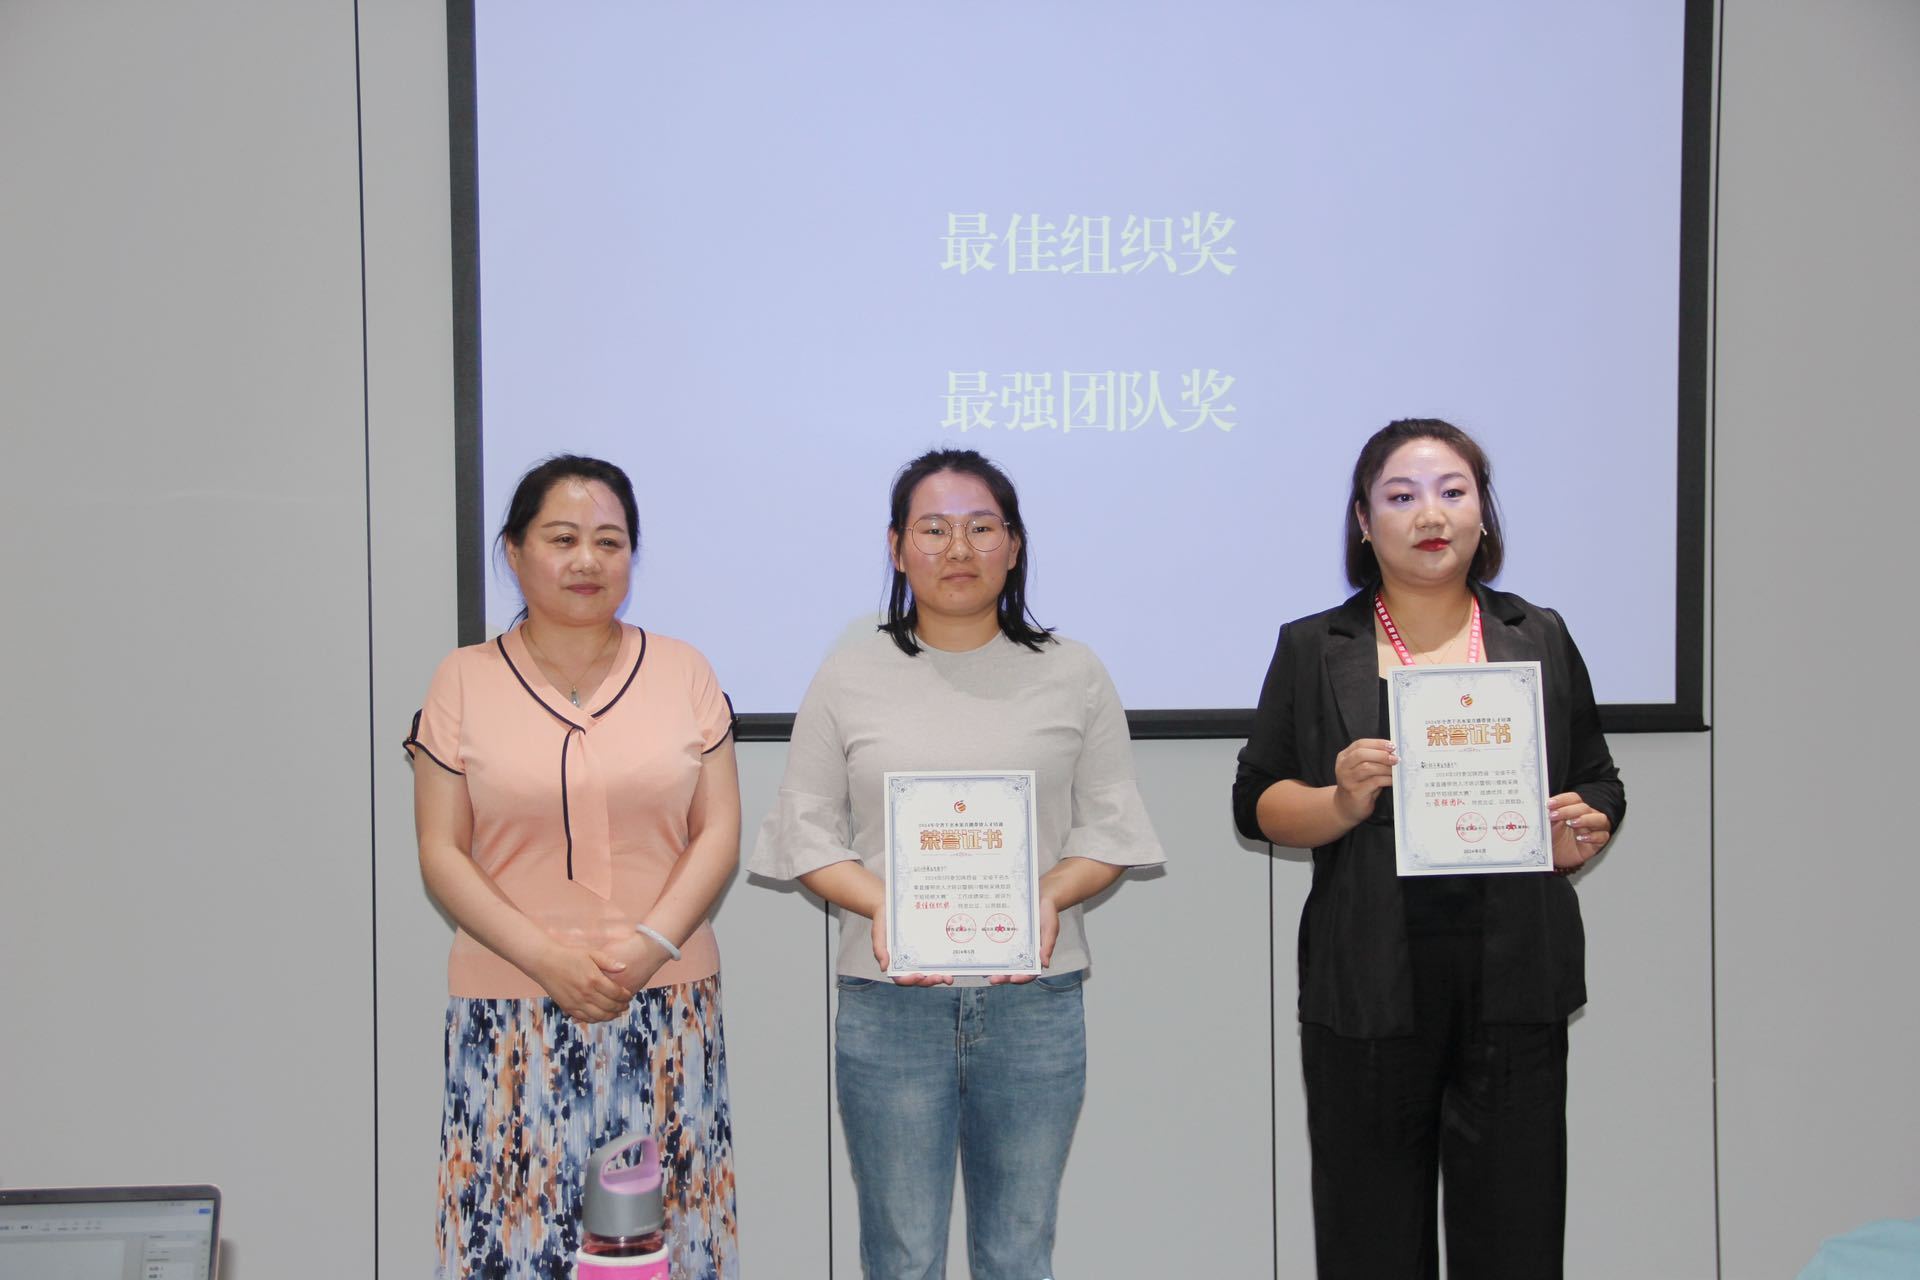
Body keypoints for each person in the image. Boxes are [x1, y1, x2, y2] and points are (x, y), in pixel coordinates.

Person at [750, 447, 1164, 1280]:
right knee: (902, 1255)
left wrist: (1049, 892)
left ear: (1014, 545)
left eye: (981, 527)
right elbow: (806, 829)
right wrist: (888, 906)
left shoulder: (1073, 672)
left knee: (1018, 1251)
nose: (959, 548)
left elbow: (1111, 828)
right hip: (889, 998)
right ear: (898, 547)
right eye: (934, 529)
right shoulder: (849, 672)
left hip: (1034, 999)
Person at [1233, 419, 1625, 1280]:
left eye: (1453, 491)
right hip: (1369, 980)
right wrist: (1340, 800)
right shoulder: (1314, 646)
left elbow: (1596, 779)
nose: (1430, 514)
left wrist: (1581, 828)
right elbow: (1256, 802)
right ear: (1363, 521)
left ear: (1484, 512)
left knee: (1516, 1240)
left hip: (1515, 975)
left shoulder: (1538, 634)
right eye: (1401, 496)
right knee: (1370, 1241)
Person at [405, 455, 740, 1279]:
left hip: (663, 1004)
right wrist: (548, 959)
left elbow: (719, 832)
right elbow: (441, 852)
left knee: (660, 1246)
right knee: (513, 1242)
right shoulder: (462, 679)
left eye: (609, 542)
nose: (587, 560)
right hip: (509, 1011)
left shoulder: (684, 670)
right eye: (562, 539)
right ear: (514, 551)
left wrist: (649, 947)